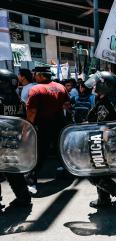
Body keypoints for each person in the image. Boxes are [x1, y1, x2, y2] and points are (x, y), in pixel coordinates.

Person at [84, 71, 116, 209]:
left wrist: (98, 146)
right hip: (107, 145)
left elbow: (103, 128)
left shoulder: (105, 104)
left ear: (105, 86)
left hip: (102, 144)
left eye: (97, 83)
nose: (94, 86)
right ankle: (103, 199)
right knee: (101, 172)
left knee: (94, 175)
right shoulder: (110, 101)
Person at [25, 66, 70, 194]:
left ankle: (30, 182)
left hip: (43, 125)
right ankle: (68, 172)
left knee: (39, 153)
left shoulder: (36, 89)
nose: (34, 76)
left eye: (35, 74)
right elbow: (67, 105)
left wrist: (29, 127)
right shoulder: (61, 87)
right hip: (60, 123)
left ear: (40, 75)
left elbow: (32, 111)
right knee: (60, 149)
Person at [0, 69, 31, 210]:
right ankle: (24, 198)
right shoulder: (18, 100)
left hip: (2, 141)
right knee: (13, 171)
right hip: (14, 141)